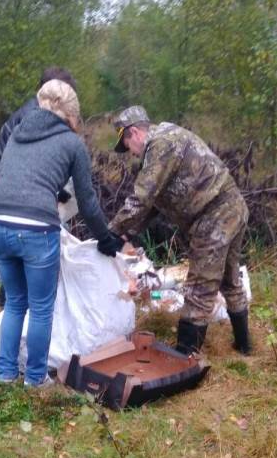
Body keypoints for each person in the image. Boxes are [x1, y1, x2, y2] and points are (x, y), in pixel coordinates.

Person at [0, 79, 122, 387]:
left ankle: (6, 374)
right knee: (41, 307)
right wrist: (105, 238)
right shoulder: (72, 143)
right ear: (72, 115)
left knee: (15, 302)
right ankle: (35, 379)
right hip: (35, 228)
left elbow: (11, 177)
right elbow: (87, 202)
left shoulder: (18, 133)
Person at [108, 106, 252, 356]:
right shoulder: (165, 140)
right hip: (231, 207)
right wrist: (127, 233)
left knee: (199, 286)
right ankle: (245, 347)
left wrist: (110, 231)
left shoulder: (161, 145)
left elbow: (142, 197)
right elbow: (154, 203)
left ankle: (185, 356)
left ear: (133, 132)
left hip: (215, 214)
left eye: (127, 145)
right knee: (230, 280)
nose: (130, 153)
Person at [0, 66, 77, 307]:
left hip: (5, 195)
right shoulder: (36, 117)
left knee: (18, 255)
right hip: (16, 195)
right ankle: (27, 304)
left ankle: (9, 303)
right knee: (34, 246)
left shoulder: (32, 113)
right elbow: (33, 164)